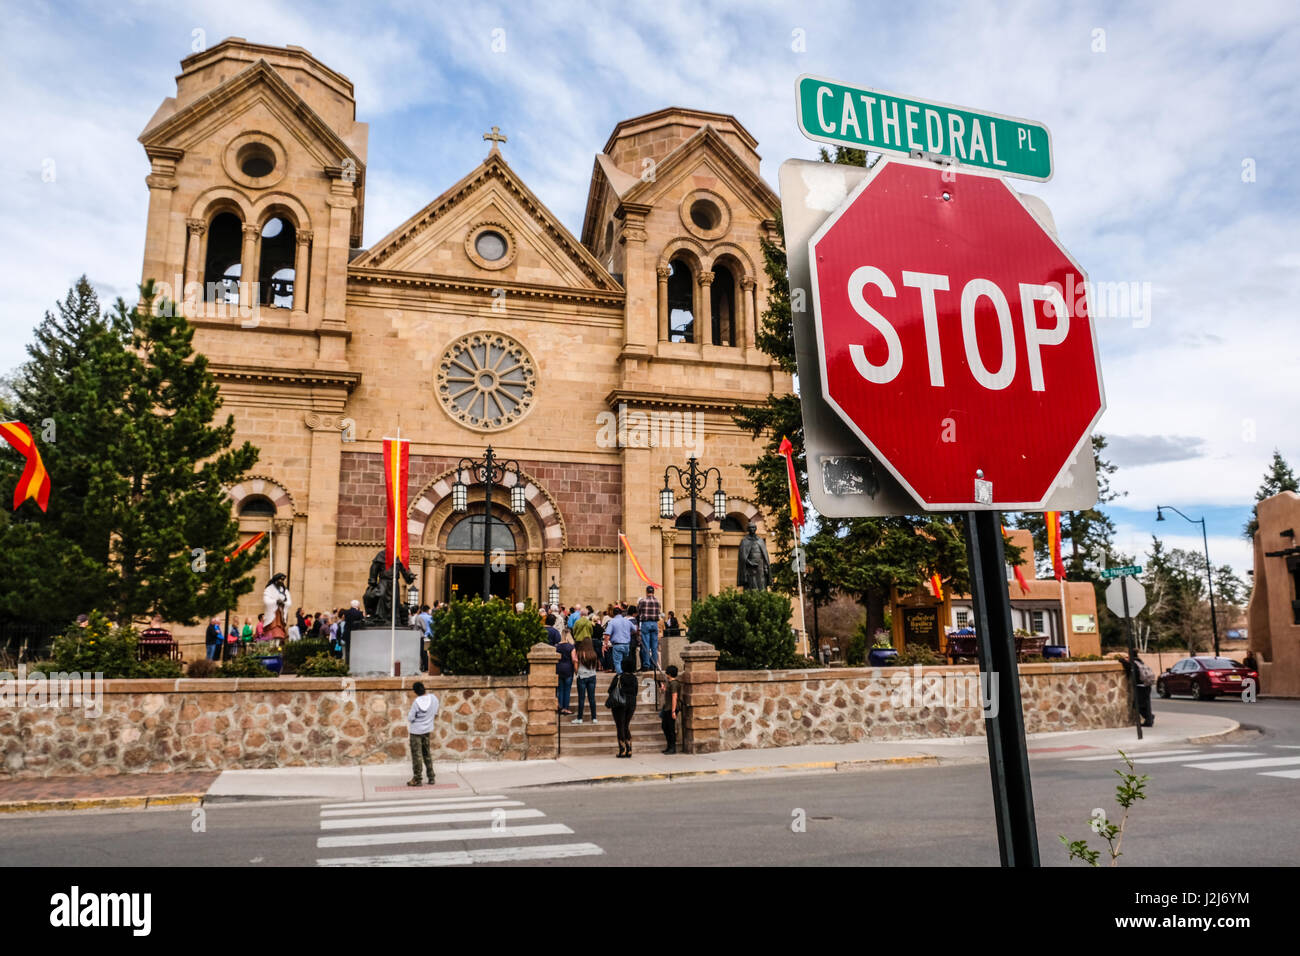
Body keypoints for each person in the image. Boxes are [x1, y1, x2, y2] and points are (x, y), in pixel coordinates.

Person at [406, 681, 439, 786]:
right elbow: (435, 712)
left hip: (416, 731)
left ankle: (417, 779)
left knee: (417, 756)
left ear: (415, 692)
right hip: (427, 730)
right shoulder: (434, 698)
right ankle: (431, 777)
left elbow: (410, 718)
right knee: (427, 753)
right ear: (424, 688)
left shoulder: (416, 702)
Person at [608, 665, 639, 758]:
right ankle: (629, 748)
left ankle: (622, 749)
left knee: (620, 725)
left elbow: (610, 690)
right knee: (626, 725)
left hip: (620, 703)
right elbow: (636, 691)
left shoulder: (619, 677)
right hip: (631, 703)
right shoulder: (634, 678)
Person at [572, 637, 600, 724]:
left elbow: (576, 667)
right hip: (592, 676)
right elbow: (596, 666)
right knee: (592, 698)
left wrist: (577, 673)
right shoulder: (593, 654)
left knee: (581, 698)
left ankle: (580, 718)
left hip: (582, 677)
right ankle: (594, 718)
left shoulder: (579, 653)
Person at [636, 586, 662, 672]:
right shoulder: (658, 601)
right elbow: (659, 612)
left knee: (646, 645)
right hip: (655, 624)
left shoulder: (642, 601)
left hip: (646, 623)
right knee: (654, 646)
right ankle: (654, 665)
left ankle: (646, 664)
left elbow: (638, 612)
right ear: (653, 592)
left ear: (646, 592)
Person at [659, 665, 681, 754]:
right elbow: (668, 694)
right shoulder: (669, 683)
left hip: (671, 708)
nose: (666, 673)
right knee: (665, 727)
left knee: (670, 728)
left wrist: (673, 711)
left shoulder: (674, 683)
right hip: (667, 708)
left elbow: (674, 697)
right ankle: (669, 746)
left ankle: (672, 747)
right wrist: (663, 689)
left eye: (667, 672)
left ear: (670, 674)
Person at [605, 606, 634, 673]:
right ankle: (626, 675)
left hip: (617, 645)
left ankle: (620, 677)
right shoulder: (627, 621)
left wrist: (605, 644)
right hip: (626, 644)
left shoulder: (612, 622)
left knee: (617, 662)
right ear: (621, 613)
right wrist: (628, 633)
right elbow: (635, 629)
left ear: (613, 613)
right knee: (625, 662)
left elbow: (607, 634)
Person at [555, 628, 576, 715]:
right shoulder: (571, 647)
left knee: (560, 690)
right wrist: (576, 670)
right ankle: (566, 708)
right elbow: (574, 659)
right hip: (568, 669)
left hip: (559, 669)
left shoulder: (556, 646)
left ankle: (560, 708)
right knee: (567, 690)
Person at [1130, 653, 1155, 727]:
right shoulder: (1140, 662)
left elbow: (1129, 668)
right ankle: (1149, 719)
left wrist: (1122, 661)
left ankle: (1149, 718)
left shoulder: (1133, 663)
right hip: (1147, 686)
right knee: (1146, 705)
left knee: (1137, 705)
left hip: (1140, 687)